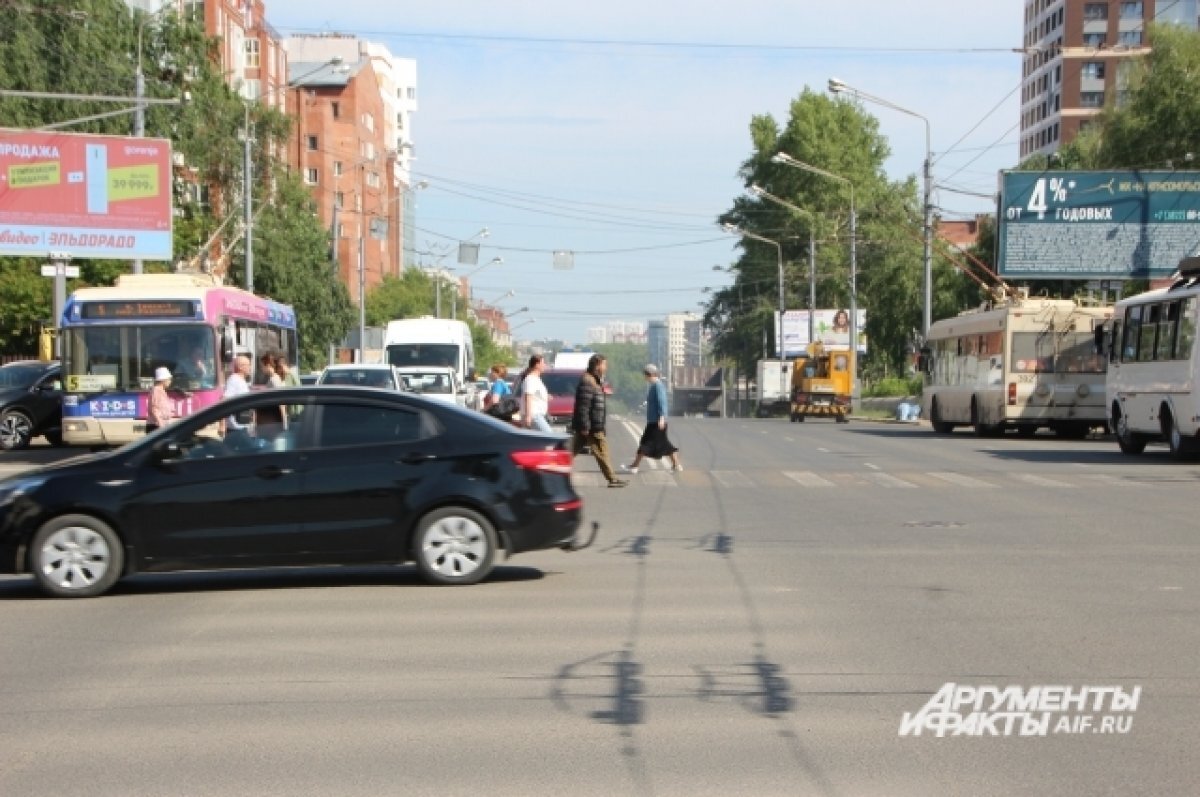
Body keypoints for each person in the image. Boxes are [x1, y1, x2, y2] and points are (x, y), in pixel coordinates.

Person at [572, 354, 627, 488]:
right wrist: (585, 426)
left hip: (592, 425)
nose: (606, 368)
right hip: (591, 426)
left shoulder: (594, 380)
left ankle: (551, 469)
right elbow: (583, 406)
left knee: (569, 451)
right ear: (597, 365)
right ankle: (612, 479)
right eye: (604, 365)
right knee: (602, 451)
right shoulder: (588, 380)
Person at [623, 364, 681, 473]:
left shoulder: (658, 386)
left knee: (646, 443)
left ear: (649, 375)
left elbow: (662, 402)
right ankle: (676, 465)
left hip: (657, 421)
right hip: (654, 420)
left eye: (645, 375)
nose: (644, 378)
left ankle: (634, 466)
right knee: (663, 444)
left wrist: (662, 418)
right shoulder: (654, 386)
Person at [222, 354, 254, 448]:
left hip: (240, 427)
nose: (250, 367)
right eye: (248, 365)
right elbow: (224, 400)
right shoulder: (234, 380)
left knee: (228, 453)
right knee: (253, 452)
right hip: (236, 427)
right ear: (240, 367)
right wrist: (222, 424)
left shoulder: (241, 380)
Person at [519, 354, 552, 433]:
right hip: (534, 415)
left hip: (538, 414)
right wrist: (528, 416)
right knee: (548, 434)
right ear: (537, 365)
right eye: (543, 363)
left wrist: (546, 397)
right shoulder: (530, 379)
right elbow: (528, 397)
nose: (545, 365)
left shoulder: (536, 379)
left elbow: (535, 395)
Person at [145, 367, 174, 434]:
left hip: (162, 424)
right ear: (163, 380)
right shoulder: (156, 390)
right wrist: (161, 424)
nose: (170, 381)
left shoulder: (162, 390)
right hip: (156, 426)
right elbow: (154, 408)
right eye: (169, 379)